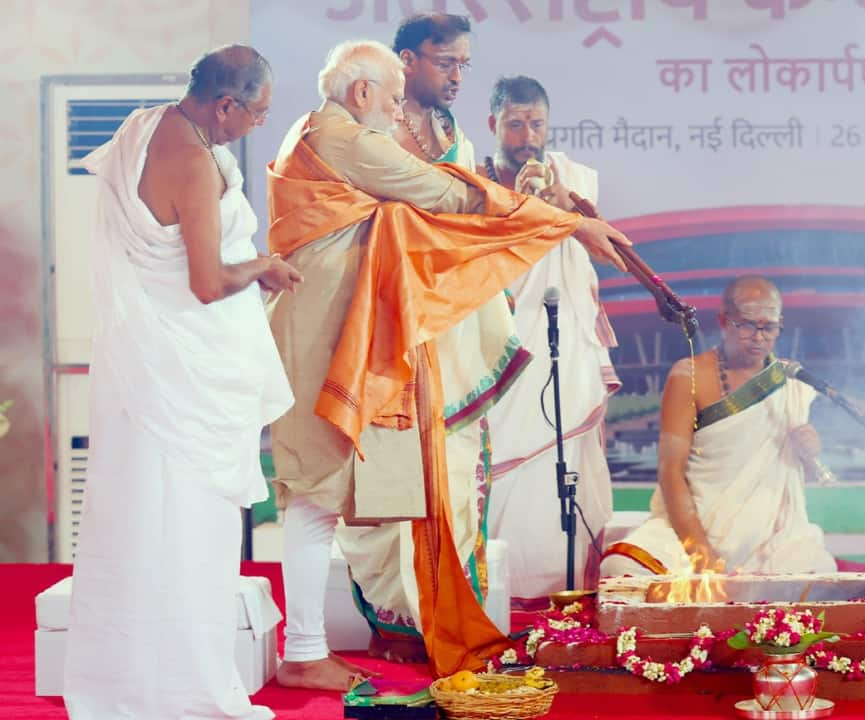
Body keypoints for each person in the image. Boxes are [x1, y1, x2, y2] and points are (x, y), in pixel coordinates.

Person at [266, 39, 629, 687]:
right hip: (336, 340)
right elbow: (447, 196)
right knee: (323, 497)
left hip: (354, 335)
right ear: (362, 93)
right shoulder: (346, 137)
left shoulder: (326, 134)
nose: (396, 108)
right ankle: (308, 650)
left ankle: (311, 647)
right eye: (391, 96)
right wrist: (566, 226)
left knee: (347, 495)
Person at [63, 45, 298, 719]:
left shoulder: (143, 125)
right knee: (190, 534)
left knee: (137, 520)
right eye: (257, 113)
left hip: (144, 366)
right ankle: (183, 688)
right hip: (183, 380)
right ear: (226, 104)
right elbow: (206, 283)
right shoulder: (194, 163)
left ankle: (129, 682)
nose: (257, 125)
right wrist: (264, 266)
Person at [482, 75, 621, 605]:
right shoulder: (475, 180)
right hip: (503, 350)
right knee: (508, 466)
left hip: (563, 353)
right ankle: (503, 593)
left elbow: (603, 243)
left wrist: (560, 202)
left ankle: (564, 590)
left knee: (562, 463)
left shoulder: (570, 177)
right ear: (494, 124)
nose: (526, 135)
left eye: (536, 123)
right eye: (515, 123)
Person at [599, 276, 836, 577]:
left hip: (769, 537)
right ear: (724, 321)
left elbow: (799, 474)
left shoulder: (789, 381)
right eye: (748, 325)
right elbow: (671, 471)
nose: (759, 337)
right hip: (695, 525)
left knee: (820, 570)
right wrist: (701, 553)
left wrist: (810, 449)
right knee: (620, 567)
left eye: (769, 327)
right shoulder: (690, 376)